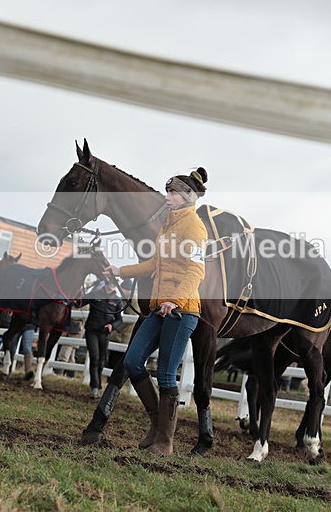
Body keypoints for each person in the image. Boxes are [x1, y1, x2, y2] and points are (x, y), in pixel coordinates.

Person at [104, 167, 208, 456]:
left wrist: (174, 301)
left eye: (173, 192)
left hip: (181, 311)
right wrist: (120, 269)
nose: (167, 196)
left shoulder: (194, 228)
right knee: (134, 360)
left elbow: (196, 270)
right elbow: (154, 265)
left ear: (186, 197)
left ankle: (165, 442)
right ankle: (156, 425)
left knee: (165, 375)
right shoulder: (168, 225)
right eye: (168, 191)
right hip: (158, 308)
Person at [80, 279, 123, 398]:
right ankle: (94, 387)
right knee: (94, 358)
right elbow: (79, 303)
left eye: (115, 283)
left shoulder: (117, 300)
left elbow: (120, 320)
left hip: (105, 333)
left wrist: (112, 326)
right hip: (92, 330)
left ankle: (98, 386)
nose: (112, 285)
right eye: (111, 282)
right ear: (107, 282)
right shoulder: (95, 293)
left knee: (102, 361)